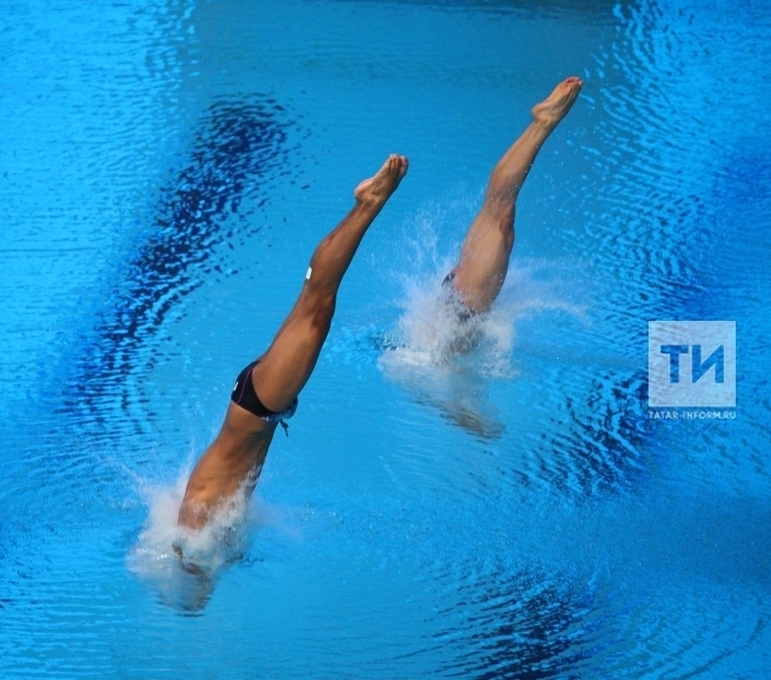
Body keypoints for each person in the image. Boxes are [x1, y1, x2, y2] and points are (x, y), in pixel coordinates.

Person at [177, 154, 409, 531]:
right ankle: (365, 205)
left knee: (317, 308)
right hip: (258, 406)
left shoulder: (194, 529)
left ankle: (368, 204)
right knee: (312, 303)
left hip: (258, 406)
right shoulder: (195, 520)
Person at [444, 77, 582, 316]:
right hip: (458, 309)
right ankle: (541, 124)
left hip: (459, 312)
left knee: (498, 212)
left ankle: (543, 123)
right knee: (501, 217)